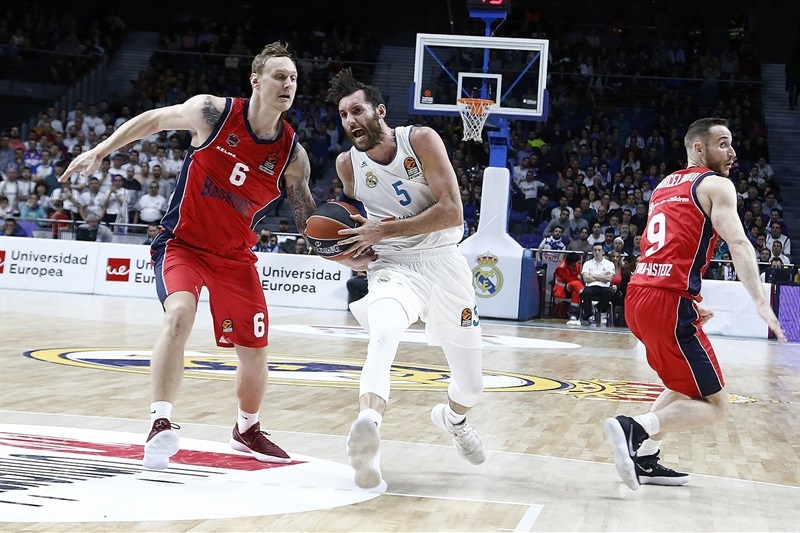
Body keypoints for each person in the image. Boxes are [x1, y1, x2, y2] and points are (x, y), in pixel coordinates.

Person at [60, 42, 319, 471]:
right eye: (279, 75)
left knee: (254, 351)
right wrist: (100, 150)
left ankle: (247, 429)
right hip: (182, 243)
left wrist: (345, 243)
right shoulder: (211, 113)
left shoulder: (292, 155)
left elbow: (307, 217)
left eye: (292, 78)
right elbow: (152, 120)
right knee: (179, 314)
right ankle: (160, 423)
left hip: (234, 257)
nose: (287, 84)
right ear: (256, 80)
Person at [604, 118, 786, 491]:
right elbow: (738, 243)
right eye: (723, 143)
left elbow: (666, 244)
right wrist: (760, 300)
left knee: (680, 383)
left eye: (732, 143)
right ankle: (633, 428)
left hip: (640, 295)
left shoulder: (664, 185)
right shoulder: (717, 185)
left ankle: (645, 458)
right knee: (717, 405)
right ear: (699, 149)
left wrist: (683, 298)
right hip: (666, 301)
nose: (732, 151)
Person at [325, 68, 485, 489]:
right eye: (343, 115)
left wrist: (383, 230)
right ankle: (367, 426)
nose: (350, 121)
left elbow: (453, 211)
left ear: (379, 111)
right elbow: (352, 225)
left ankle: (453, 419)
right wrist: (348, 254)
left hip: (444, 261)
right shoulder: (348, 165)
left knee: (471, 385)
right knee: (383, 331)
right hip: (394, 266)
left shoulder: (421, 140)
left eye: (356, 110)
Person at [580, 243, 615, 325]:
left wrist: (593, 275)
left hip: (604, 287)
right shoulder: (587, 263)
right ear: (592, 251)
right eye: (595, 250)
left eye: (599, 250)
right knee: (585, 293)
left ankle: (598, 309)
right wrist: (602, 276)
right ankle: (590, 316)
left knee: (610, 293)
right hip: (591, 286)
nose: (597, 252)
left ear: (603, 252)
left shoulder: (609, 264)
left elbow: (608, 279)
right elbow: (586, 278)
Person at [554, 252, 584, 325]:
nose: (575, 264)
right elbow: (567, 280)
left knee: (575, 292)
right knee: (575, 283)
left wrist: (577, 278)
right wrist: (577, 278)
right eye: (574, 263)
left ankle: (573, 314)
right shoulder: (560, 268)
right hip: (563, 288)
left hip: (574, 287)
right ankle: (584, 295)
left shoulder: (576, 264)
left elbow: (578, 275)